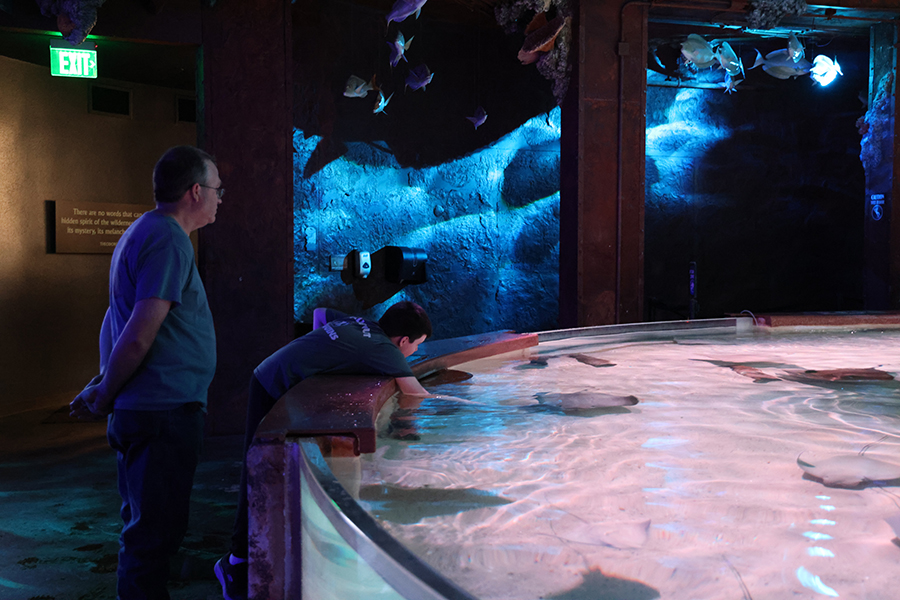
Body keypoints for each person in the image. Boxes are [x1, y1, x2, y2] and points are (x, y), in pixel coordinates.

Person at [70, 145, 222, 599]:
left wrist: (102, 384)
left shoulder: (142, 231)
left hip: (148, 410)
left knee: (144, 528)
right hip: (162, 413)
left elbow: (111, 320)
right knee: (151, 537)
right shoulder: (169, 239)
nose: (220, 198)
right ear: (195, 192)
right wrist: (104, 394)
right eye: (217, 189)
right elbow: (137, 332)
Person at [214, 301, 432, 600]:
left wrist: (321, 367)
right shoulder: (384, 350)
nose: (415, 353)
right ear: (403, 340)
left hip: (271, 376)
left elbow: (321, 315)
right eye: (417, 346)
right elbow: (414, 393)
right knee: (254, 477)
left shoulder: (361, 324)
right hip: (271, 385)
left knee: (263, 474)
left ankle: (241, 559)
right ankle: (234, 562)